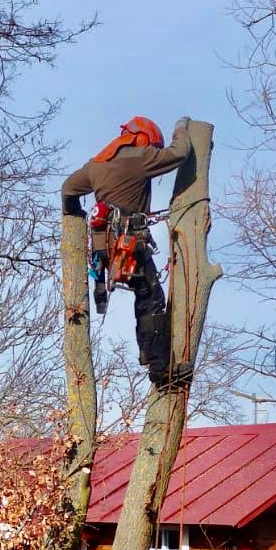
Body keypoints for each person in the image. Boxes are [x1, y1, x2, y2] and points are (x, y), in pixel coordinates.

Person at [60, 115, 192, 386]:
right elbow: (180, 153)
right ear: (144, 139)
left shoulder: (97, 164)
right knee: (150, 299)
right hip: (130, 244)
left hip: (104, 249)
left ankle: (151, 358)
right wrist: (181, 127)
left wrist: (74, 212)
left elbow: (68, 189)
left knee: (144, 297)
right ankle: (160, 369)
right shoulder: (140, 158)